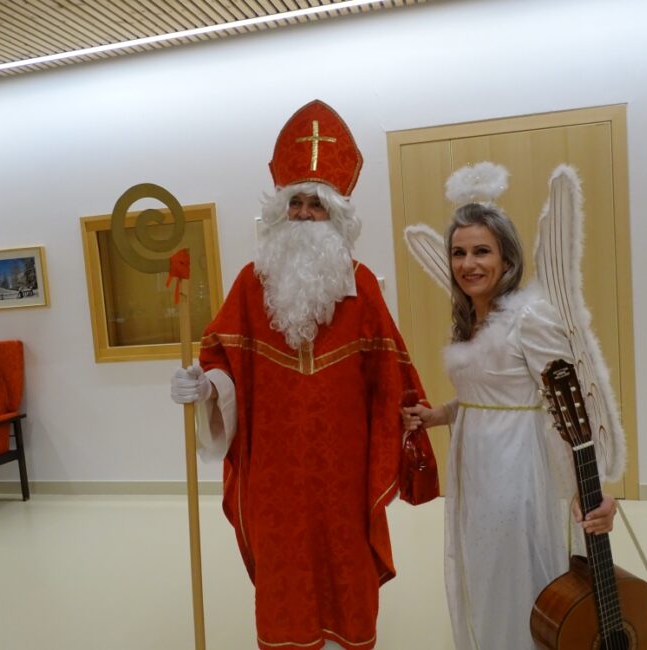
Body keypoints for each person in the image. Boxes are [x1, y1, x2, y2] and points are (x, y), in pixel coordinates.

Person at [170, 99, 427, 650]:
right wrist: (204, 387)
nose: (306, 214)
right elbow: (221, 361)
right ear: (279, 211)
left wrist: (400, 437)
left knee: (346, 564)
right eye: (296, 203)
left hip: (346, 470)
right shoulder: (249, 284)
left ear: (337, 217)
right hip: (274, 471)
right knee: (283, 569)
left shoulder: (362, 287)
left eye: (317, 204)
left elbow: (391, 380)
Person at [402, 199, 617, 649]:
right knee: (483, 571)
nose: (468, 264)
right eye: (459, 253)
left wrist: (591, 488)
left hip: (513, 468)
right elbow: (485, 395)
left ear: (507, 258)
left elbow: (571, 408)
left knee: (513, 575)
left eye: (482, 251)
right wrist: (440, 415)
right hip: (473, 469)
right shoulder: (470, 318)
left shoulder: (530, 318)